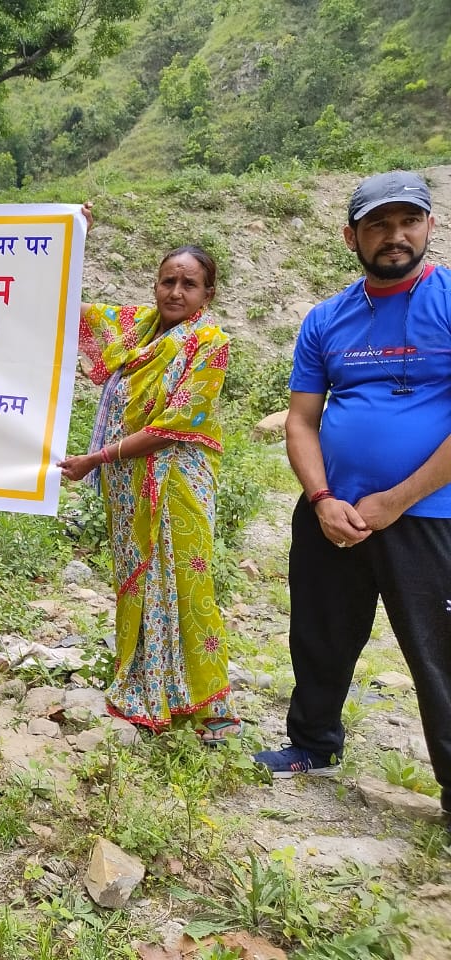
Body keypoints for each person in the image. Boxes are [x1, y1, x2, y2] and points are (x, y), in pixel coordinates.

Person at [254, 171, 451, 816]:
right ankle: (312, 741)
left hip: (429, 513)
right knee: (320, 631)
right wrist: (319, 499)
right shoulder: (326, 319)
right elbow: (302, 420)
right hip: (332, 512)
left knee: (438, 650)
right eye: (377, 225)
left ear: (428, 226)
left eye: (407, 222)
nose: (394, 237)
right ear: (352, 236)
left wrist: (396, 499)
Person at [58, 244, 238, 741]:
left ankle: (208, 704)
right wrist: (73, 238)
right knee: (137, 582)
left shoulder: (209, 342)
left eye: (189, 284)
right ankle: (144, 683)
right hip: (128, 484)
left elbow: (172, 427)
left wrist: (97, 458)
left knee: (185, 583)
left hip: (176, 484)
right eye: (167, 281)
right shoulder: (139, 326)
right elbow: (68, 309)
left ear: (208, 292)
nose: (175, 292)